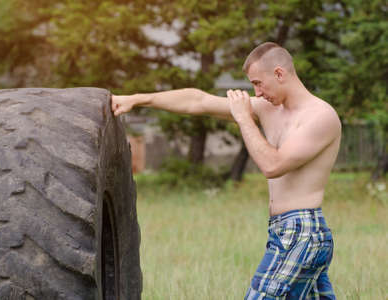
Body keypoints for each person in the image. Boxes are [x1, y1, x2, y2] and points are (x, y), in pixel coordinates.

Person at [111, 42, 341, 299]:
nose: (256, 92)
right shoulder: (269, 109)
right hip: (282, 230)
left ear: (279, 73)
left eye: (258, 83)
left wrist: (243, 118)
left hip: (301, 232)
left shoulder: (320, 117)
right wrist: (138, 99)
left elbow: (273, 165)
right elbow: (198, 101)